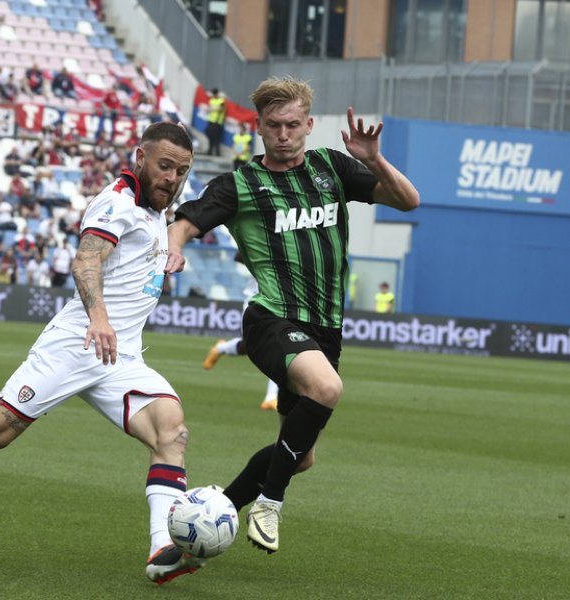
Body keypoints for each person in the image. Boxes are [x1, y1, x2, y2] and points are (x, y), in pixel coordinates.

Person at [0, 122, 203, 584]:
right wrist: (99, 317)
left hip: (120, 358)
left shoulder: (156, 211)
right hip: (75, 344)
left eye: (181, 171)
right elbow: (86, 259)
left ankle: (162, 547)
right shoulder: (116, 203)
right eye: (165, 166)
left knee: (172, 432)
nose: (172, 177)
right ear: (140, 157)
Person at [166, 77, 420, 554]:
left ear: (308, 125)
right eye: (273, 126)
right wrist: (174, 252)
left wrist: (374, 161)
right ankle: (269, 502)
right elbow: (185, 221)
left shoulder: (331, 167)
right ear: (259, 126)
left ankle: (204, 527)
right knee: (327, 390)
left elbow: (408, 200)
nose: (283, 134)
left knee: (299, 458)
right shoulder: (240, 184)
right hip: (272, 321)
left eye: (292, 125)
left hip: (325, 332)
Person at [202, 254, 279, 411]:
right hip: (255, 300)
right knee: (253, 346)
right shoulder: (266, 240)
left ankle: (271, 398)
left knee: (277, 347)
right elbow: (238, 255)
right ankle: (221, 348)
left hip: (279, 303)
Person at [205, 87, 226, 156]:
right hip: (211, 121)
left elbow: (219, 109)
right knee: (210, 136)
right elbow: (209, 109)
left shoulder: (221, 101)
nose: (213, 95)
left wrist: (210, 109)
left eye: (214, 94)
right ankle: (210, 151)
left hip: (217, 122)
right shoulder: (211, 100)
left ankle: (217, 153)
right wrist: (211, 109)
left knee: (216, 138)